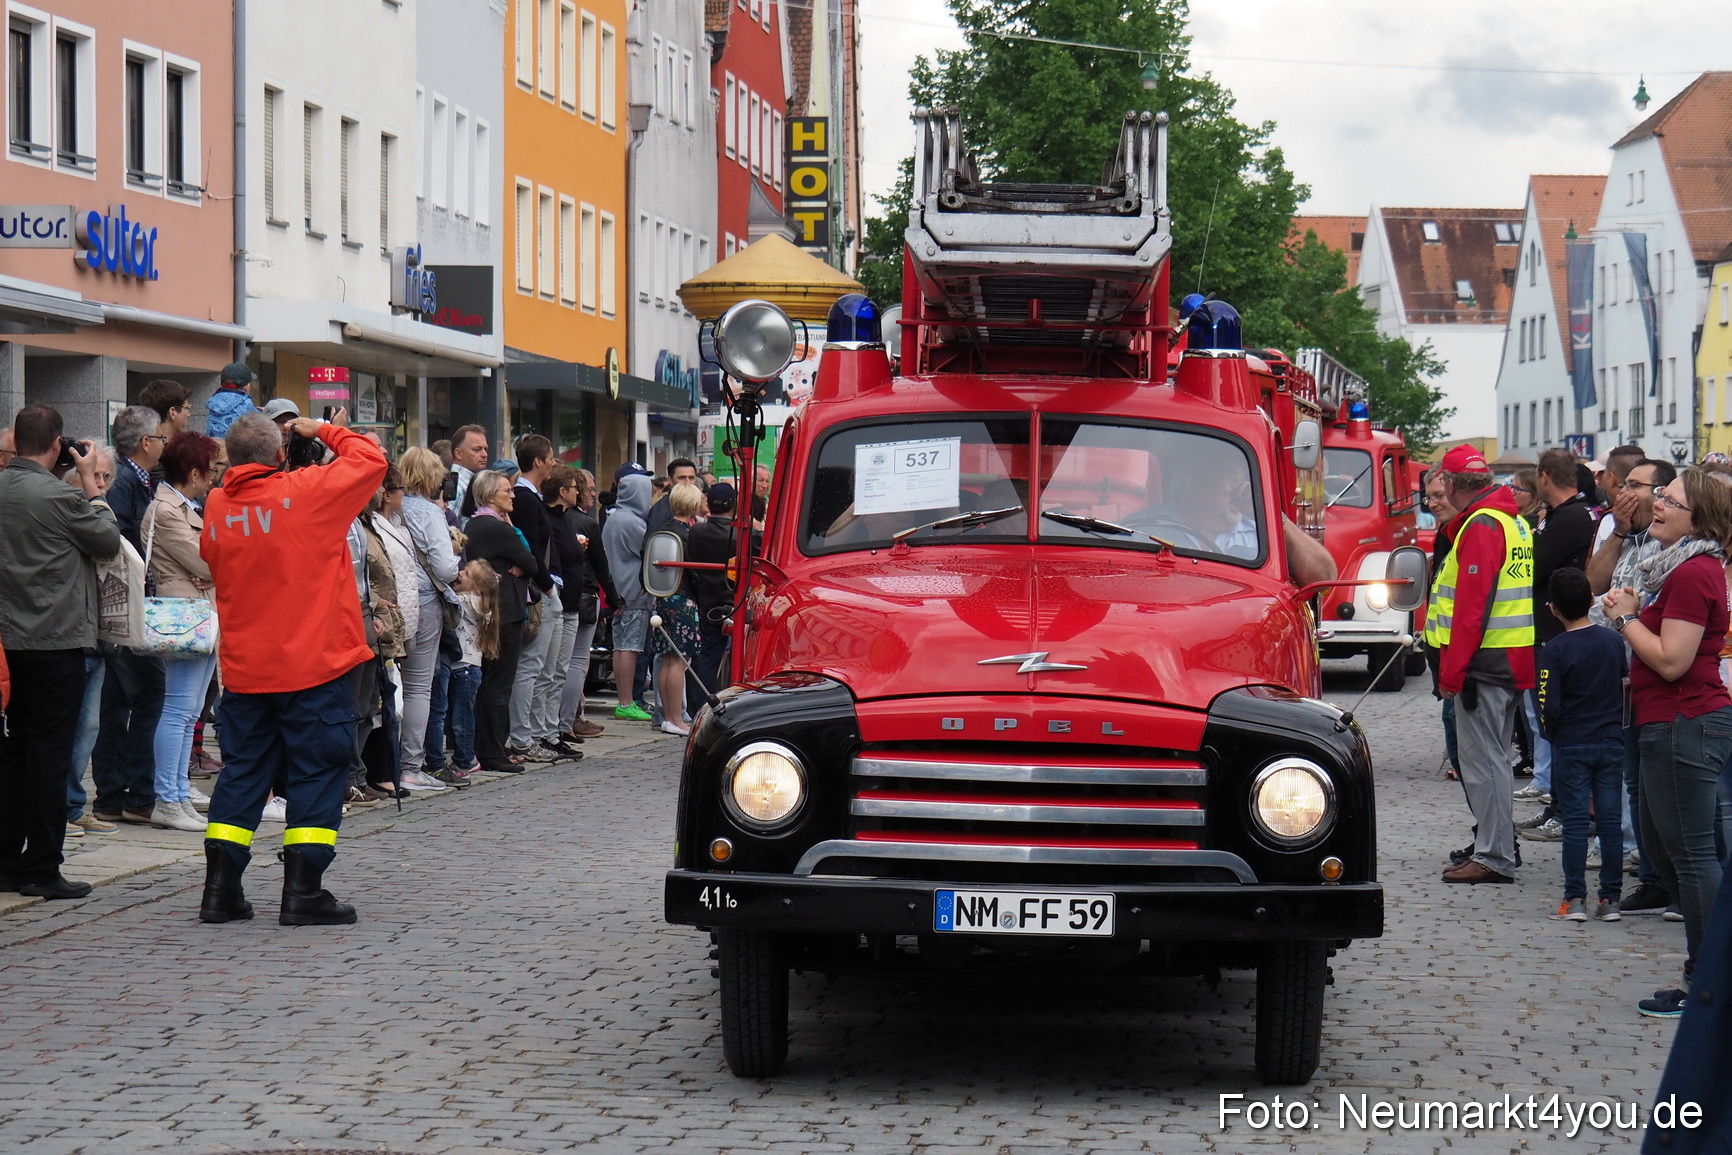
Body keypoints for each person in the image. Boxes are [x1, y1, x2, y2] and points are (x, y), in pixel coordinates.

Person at [195, 408, 386, 926]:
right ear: (280, 454)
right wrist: (322, 429)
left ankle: (220, 891)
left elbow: (215, 557)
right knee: (318, 774)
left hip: (246, 670)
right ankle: (302, 892)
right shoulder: (307, 491)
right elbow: (370, 458)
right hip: (312, 665)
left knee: (243, 775)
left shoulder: (215, 504)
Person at [1600, 467, 1732, 1016]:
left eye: (1670, 501)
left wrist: (1627, 620)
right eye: (1660, 496)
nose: (1657, 505)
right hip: (1674, 722)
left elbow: (1674, 661)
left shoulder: (1694, 573)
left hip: (1685, 721)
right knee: (1680, 855)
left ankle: (1705, 985)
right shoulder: (1677, 569)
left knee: (1693, 858)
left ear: (1697, 518)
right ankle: (1708, 979)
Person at [0, 406, 120, 900]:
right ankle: (43, 866)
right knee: (50, 755)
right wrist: (92, 485)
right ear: (55, 445)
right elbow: (107, 540)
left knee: (11, 753)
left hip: (7, 644)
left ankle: (6, 863)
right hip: (55, 641)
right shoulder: (60, 496)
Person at [1434, 446, 1534, 885]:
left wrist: (1453, 673)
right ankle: (1496, 850)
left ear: (1452, 485)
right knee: (1493, 759)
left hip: (1483, 664)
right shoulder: (1513, 521)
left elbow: (1471, 610)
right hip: (1510, 658)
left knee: (1485, 763)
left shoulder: (1481, 525)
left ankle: (1494, 855)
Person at [1584, 457, 1677, 916]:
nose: (1624, 491)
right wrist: (1618, 530)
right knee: (1635, 782)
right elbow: (1592, 584)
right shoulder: (1626, 536)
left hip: (1654, 674)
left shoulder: (1671, 545)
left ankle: (1673, 878)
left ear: (1661, 494)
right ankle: (1656, 877)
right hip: (1618, 679)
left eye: (1636, 486)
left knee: (1657, 784)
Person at [90, 406, 168, 826]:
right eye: (160, 437)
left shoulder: (138, 480)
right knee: (146, 695)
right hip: (122, 610)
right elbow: (118, 546)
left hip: (128, 608)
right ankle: (134, 792)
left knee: (119, 702)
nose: (163, 444)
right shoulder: (122, 484)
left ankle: (114, 795)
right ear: (145, 442)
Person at [143, 432, 224, 834]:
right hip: (185, 614)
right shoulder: (167, 509)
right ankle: (168, 798)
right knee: (178, 710)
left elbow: (209, 563)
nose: (214, 478)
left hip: (199, 613)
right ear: (194, 472)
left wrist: (209, 567)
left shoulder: (182, 507)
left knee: (189, 711)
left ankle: (177, 791)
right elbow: (210, 564)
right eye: (211, 470)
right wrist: (209, 568)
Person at [1537, 567, 1627, 922]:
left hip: (1571, 743)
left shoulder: (1555, 649)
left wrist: (1552, 734)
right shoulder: (1612, 641)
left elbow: (1549, 702)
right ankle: (1610, 899)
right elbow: (1623, 683)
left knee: (1575, 823)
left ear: (1552, 609)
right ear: (1592, 600)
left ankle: (1574, 898)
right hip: (1610, 740)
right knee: (1610, 821)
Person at [1516, 450, 1599, 828]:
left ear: (1545, 477)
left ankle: (1567, 813)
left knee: (1554, 721)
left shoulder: (1570, 518)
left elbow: (1532, 565)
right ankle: (1557, 806)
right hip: (1549, 629)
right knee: (1545, 722)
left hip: (1556, 631)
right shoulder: (1564, 516)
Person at [463, 470, 547, 773]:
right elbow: (532, 562)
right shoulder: (496, 528)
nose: (512, 495)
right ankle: (492, 751)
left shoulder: (480, 524)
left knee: (491, 683)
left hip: (492, 611)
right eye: (506, 491)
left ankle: (493, 746)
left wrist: (522, 564)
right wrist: (522, 565)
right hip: (503, 612)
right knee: (498, 684)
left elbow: (525, 563)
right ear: (488, 496)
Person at [394, 447, 462, 786]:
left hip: (391, 602)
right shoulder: (430, 513)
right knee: (419, 686)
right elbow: (445, 567)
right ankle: (411, 765)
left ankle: (387, 762)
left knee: (392, 684)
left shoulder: (390, 509)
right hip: (424, 600)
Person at [62, 446, 120, 840]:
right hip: (69, 635)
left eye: (104, 478)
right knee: (66, 728)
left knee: (88, 727)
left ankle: (73, 805)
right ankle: (62, 807)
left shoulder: (103, 512)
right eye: (92, 476)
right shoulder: (71, 510)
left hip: (98, 637)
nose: (98, 484)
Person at [505, 436, 566, 761]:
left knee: (544, 667)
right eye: (551, 458)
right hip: (541, 589)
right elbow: (529, 547)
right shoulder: (526, 500)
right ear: (538, 461)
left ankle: (536, 732)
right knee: (531, 666)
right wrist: (548, 587)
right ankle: (522, 737)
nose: (554, 463)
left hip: (546, 586)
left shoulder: (533, 498)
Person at [529, 465, 587, 760]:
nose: (580, 493)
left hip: (571, 605)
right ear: (563, 492)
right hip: (556, 603)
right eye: (575, 488)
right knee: (546, 672)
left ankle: (553, 731)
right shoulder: (549, 519)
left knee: (559, 672)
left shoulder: (567, 520)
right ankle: (541, 732)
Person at [558, 468, 616, 741]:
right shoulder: (586, 524)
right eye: (589, 489)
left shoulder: (558, 520)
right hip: (583, 594)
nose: (594, 494)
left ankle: (558, 720)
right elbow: (602, 568)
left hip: (562, 593)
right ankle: (566, 720)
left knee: (557, 663)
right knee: (576, 662)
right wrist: (615, 600)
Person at [651, 483, 706, 736]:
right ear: (693, 505)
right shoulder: (689, 534)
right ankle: (675, 718)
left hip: (663, 598)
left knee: (667, 659)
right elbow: (694, 572)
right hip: (683, 599)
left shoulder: (662, 531)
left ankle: (667, 716)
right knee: (679, 662)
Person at [604, 471, 655, 722]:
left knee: (620, 647)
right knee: (631, 648)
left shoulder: (614, 518)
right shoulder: (634, 523)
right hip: (634, 592)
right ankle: (626, 702)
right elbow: (649, 552)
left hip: (617, 591)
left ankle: (623, 701)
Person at [446, 559, 501, 774]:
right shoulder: (476, 601)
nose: (459, 573)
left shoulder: (471, 602)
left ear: (477, 588)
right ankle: (464, 755)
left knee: (463, 719)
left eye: (466, 574)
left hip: (465, 669)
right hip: (464, 668)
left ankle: (465, 759)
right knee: (460, 716)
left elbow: (448, 598)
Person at [688, 481, 742, 691]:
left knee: (709, 656)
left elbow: (692, 564)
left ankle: (704, 704)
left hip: (708, 599)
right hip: (738, 601)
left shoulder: (697, 532)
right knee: (741, 657)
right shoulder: (745, 535)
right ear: (734, 505)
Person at [204, 361, 259, 440]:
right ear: (245, 387)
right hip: (235, 450)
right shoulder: (246, 404)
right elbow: (263, 428)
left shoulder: (214, 402)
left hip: (213, 448)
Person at [645, 457, 699, 537]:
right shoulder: (663, 508)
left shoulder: (692, 504)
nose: (688, 483)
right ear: (670, 480)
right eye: (682, 478)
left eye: (691, 478)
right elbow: (653, 541)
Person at [448, 424, 489, 516]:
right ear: (458, 453)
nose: (484, 454)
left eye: (485, 449)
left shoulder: (469, 482)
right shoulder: (456, 486)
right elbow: (448, 525)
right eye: (477, 449)